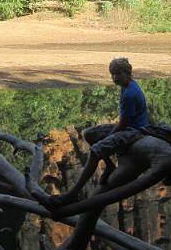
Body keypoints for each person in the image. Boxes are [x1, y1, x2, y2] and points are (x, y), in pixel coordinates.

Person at [48, 57, 149, 207]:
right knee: (88, 133)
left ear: (127, 73)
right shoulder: (127, 86)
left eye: (118, 74)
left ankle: (72, 194)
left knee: (95, 151)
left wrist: (108, 136)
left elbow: (123, 124)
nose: (114, 77)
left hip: (134, 131)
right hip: (129, 126)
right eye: (112, 74)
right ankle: (109, 165)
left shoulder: (130, 93)